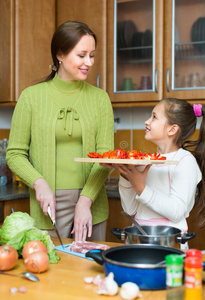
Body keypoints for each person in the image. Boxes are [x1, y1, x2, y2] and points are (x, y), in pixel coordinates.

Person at [6, 20, 114, 242]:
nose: (89, 62)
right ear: (60, 55)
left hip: (91, 203)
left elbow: (105, 157)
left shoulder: (100, 99)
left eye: (92, 55)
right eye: (81, 55)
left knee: (89, 273)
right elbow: (14, 154)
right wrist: (39, 183)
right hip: (46, 205)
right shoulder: (31, 97)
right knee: (52, 271)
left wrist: (85, 201)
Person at [100, 98, 205, 242]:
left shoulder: (185, 161)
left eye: (154, 117)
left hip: (169, 241)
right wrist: (125, 174)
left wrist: (141, 187)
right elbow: (130, 209)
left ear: (172, 129)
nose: (147, 121)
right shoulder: (148, 160)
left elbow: (176, 212)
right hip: (140, 236)